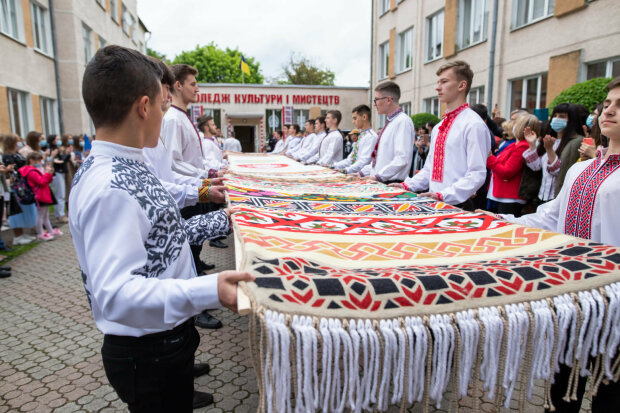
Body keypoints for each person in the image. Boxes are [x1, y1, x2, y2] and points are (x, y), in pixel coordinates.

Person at [70, 45, 254, 412]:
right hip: (148, 350)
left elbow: (161, 235)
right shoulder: (111, 187)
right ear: (143, 107)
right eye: (161, 104)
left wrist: (227, 220)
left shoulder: (128, 166)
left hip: (163, 341)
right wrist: (209, 289)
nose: (164, 114)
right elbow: (117, 295)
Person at [484, 76, 620, 413]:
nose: (610, 111)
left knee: (609, 388)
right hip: (572, 289)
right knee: (562, 385)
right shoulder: (582, 169)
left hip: (613, 297)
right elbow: (550, 218)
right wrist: (498, 223)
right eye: (609, 103)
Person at [397, 61, 490, 208]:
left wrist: (444, 195)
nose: (437, 87)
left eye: (444, 82)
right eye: (438, 82)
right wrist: (406, 186)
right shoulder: (439, 127)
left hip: (458, 204)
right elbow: (429, 169)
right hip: (435, 201)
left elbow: (476, 174)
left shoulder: (473, 124)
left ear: (461, 85)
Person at [359, 81, 414, 184]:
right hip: (381, 180)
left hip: (391, 183)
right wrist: (361, 173)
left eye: (376, 100)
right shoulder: (391, 121)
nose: (374, 104)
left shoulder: (403, 121)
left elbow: (402, 159)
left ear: (388, 100)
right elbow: (381, 160)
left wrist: (378, 176)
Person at [486, 114, 539, 216]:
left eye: (515, 123)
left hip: (510, 197)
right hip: (505, 195)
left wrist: (490, 158)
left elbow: (507, 172)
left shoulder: (523, 146)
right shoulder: (516, 145)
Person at [3, 134, 36, 245]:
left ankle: (22, 233)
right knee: (16, 211)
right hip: (15, 186)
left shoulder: (16, 153)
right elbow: (10, 171)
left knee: (24, 210)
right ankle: (18, 236)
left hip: (23, 184)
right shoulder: (7, 156)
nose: (19, 144)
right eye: (16, 142)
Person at [20, 152, 60, 241]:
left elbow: (46, 181)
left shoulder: (35, 169)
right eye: (38, 160)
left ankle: (50, 230)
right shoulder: (31, 171)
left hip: (44, 193)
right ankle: (40, 233)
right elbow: (41, 181)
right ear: (31, 160)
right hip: (40, 195)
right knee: (41, 215)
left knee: (45, 215)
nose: (39, 162)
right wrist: (47, 173)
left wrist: (49, 174)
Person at [333, 105, 378, 174]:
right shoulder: (362, 135)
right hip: (355, 173)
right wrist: (334, 166)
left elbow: (364, 161)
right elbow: (351, 159)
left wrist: (346, 170)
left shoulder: (371, 137)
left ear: (364, 117)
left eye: (355, 118)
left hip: (365, 176)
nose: (353, 122)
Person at [45, 134, 70, 224]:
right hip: (56, 172)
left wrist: (67, 154)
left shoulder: (56, 149)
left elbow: (62, 160)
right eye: (56, 139)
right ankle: (60, 214)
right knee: (60, 194)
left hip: (60, 172)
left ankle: (59, 214)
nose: (58, 140)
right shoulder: (50, 150)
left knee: (60, 194)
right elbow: (54, 161)